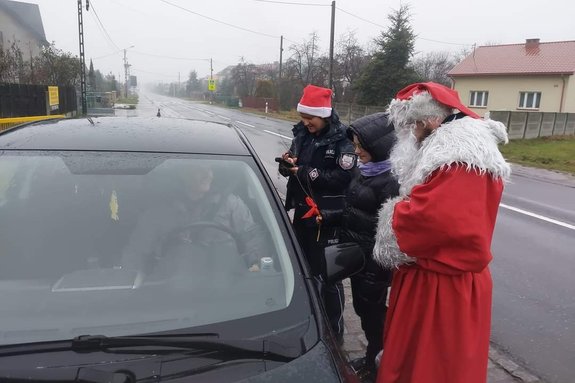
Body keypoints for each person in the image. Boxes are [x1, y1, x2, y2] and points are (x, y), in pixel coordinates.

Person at [372, 82, 511, 383]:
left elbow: (434, 222)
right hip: (434, 279)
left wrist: (392, 215)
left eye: (413, 126)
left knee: (432, 368)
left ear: (426, 120)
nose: (410, 134)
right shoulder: (449, 148)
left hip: (441, 288)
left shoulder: (459, 156)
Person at [320, 112, 400, 381]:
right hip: (358, 258)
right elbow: (353, 210)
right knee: (365, 311)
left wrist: (375, 264)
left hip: (374, 264)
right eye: (354, 145)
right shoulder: (363, 171)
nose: (356, 151)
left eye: (360, 146)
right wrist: (328, 217)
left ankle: (378, 362)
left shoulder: (391, 181)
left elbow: (389, 234)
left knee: (373, 313)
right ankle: (375, 356)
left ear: (379, 146)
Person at [278, 84, 357, 343]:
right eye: (302, 117)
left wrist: (304, 172)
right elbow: (295, 160)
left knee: (328, 278)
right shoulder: (301, 134)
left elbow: (343, 178)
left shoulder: (343, 140)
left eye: (309, 118)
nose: (305, 122)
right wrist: (287, 165)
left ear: (323, 115)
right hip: (302, 212)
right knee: (302, 271)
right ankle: (308, 321)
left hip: (327, 218)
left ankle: (335, 335)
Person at [121, 164, 267, 274]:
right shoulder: (158, 213)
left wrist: (254, 262)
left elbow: (252, 237)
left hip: (225, 287)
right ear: (181, 173)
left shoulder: (231, 205)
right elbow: (135, 253)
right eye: (199, 169)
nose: (207, 175)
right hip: (171, 293)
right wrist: (135, 282)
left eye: (209, 169)